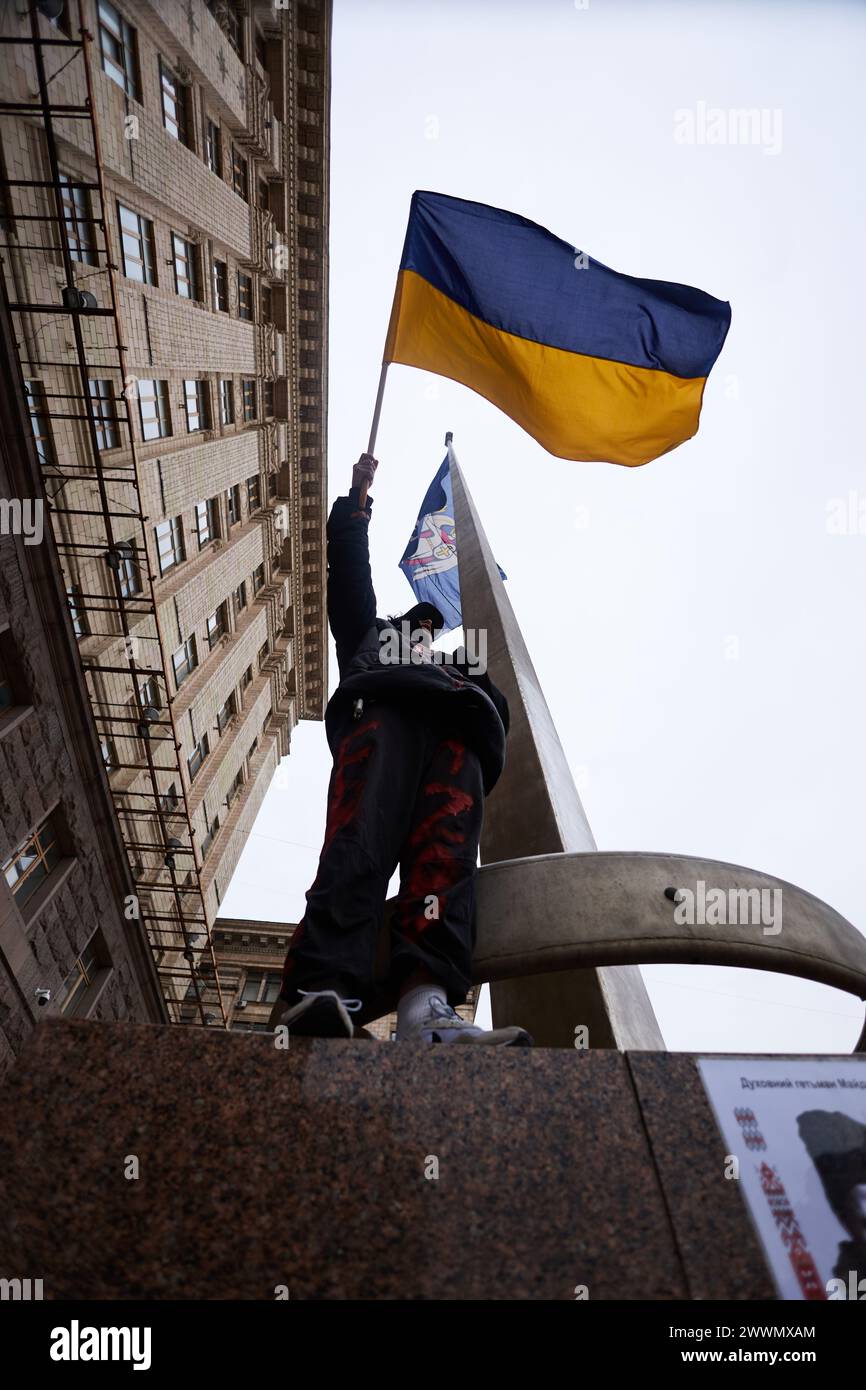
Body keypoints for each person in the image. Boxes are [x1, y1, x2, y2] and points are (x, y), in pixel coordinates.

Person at [270, 452, 532, 1046]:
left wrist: (480, 699)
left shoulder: (458, 672)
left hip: (456, 738)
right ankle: (323, 988)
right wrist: (358, 501)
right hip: (381, 719)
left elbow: (498, 707)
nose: (423, 630)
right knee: (358, 848)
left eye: (429, 627)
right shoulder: (368, 636)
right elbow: (349, 572)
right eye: (415, 622)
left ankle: (426, 1008)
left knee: (444, 862)